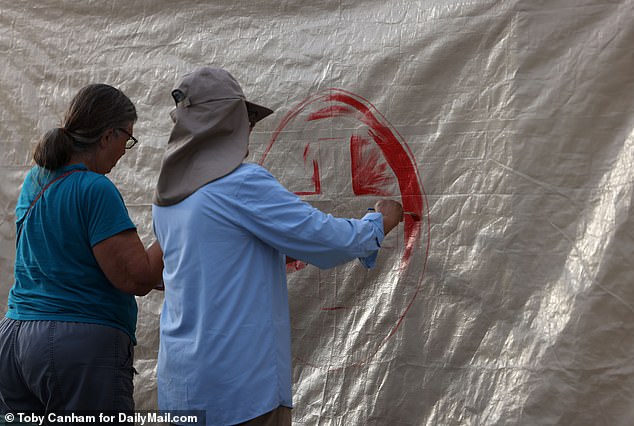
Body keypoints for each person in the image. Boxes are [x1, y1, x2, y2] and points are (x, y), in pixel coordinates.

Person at [152, 67, 403, 426]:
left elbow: (217, 258)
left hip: (181, 387)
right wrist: (379, 222)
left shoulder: (168, 198)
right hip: (239, 391)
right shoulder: (240, 184)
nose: (249, 128)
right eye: (245, 118)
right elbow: (327, 240)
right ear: (226, 122)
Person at [0, 84, 164, 416]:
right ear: (108, 135)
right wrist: (180, 224)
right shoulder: (94, 188)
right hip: (75, 347)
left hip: (16, 339)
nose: (123, 151)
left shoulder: (35, 180)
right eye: (127, 139)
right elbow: (137, 278)